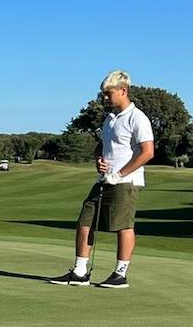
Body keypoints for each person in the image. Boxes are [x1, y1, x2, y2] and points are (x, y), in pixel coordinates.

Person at [48, 69, 154, 289]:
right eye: (103, 94)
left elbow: (147, 152)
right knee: (85, 221)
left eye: (108, 93)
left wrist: (120, 174)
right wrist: (99, 159)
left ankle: (120, 274)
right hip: (104, 180)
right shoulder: (110, 119)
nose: (104, 98)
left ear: (123, 91)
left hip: (126, 181)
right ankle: (79, 271)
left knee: (123, 225)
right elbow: (103, 146)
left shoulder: (137, 117)